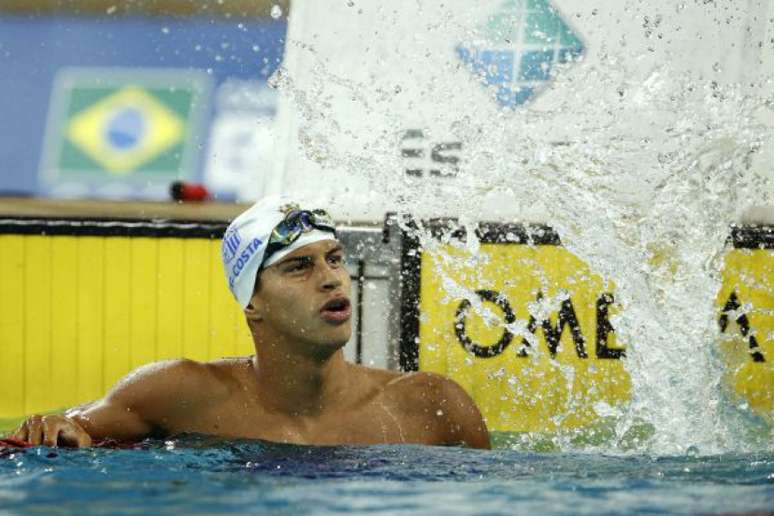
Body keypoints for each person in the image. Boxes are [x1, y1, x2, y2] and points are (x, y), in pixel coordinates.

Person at [6, 197, 490, 449]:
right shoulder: (180, 393)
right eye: (298, 266)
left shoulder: (432, 407)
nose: (330, 280)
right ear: (251, 303)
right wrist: (57, 427)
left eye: (335, 259)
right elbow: (69, 430)